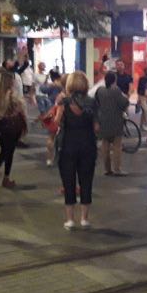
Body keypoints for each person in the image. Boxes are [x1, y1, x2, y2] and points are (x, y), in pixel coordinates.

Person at [54, 72, 98, 229]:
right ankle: (84, 219)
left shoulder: (64, 102)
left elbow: (56, 122)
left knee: (68, 182)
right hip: (87, 145)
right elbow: (96, 127)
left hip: (68, 145)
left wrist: (58, 106)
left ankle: (70, 220)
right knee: (86, 181)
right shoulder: (92, 102)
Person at [0, 71, 27, 189]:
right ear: (9, 81)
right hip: (11, 125)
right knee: (9, 151)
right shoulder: (12, 95)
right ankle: (6, 178)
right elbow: (20, 108)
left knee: (4, 148)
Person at [95, 71, 130, 176]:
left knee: (105, 145)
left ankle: (107, 169)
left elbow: (96, 104)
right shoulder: (116, 90)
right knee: (116, 146)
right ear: (114, 80)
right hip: (116, 121)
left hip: (103, 121)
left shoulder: (100, 90)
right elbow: (124, 103)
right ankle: (117, 169)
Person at [137, 66, 147, 132]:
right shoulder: (142, 79)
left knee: (144, 111)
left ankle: (141, 125)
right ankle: (145, 125)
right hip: (142, 96)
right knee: (146, 111)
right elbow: (139, 88)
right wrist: (138, 98)